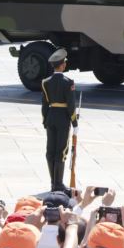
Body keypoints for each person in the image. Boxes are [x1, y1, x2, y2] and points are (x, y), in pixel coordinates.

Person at [41, 49, 77, 191]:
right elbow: (71, 105)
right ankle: (59, 184)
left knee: (50, 151)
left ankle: (52, 183)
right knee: (61, 151)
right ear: (62, 65)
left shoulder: (45, 82)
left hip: (50, 117)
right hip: (63, 118)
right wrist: (75, 122)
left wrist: (45, 121)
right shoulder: (68, 82)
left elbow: (44, 105)